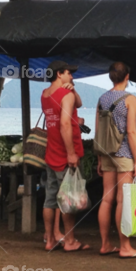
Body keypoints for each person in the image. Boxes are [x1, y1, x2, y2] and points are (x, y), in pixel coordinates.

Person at [95, 62, 136, 259]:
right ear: (127, 77)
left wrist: (100, 158)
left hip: (106, 152)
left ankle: (105, 244)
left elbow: (99, 130)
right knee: (121, 200)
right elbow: (132, 132)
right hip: (124, 152)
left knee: (106, 198)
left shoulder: (102, 98)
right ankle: (125, 246)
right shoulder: (130, 99)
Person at [41, 60, 90, 252]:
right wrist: (71, 153)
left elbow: (79, 103)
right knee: (68, 199)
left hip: (51, 152)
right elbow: (65, 124)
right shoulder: (65, 95)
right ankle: (70, 241)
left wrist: (74, 90)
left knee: (50, 199)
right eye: (69, 73)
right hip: (64, 153)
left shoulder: (45, 94)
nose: (72, 76)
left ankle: (50, 240)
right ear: (59, 73)